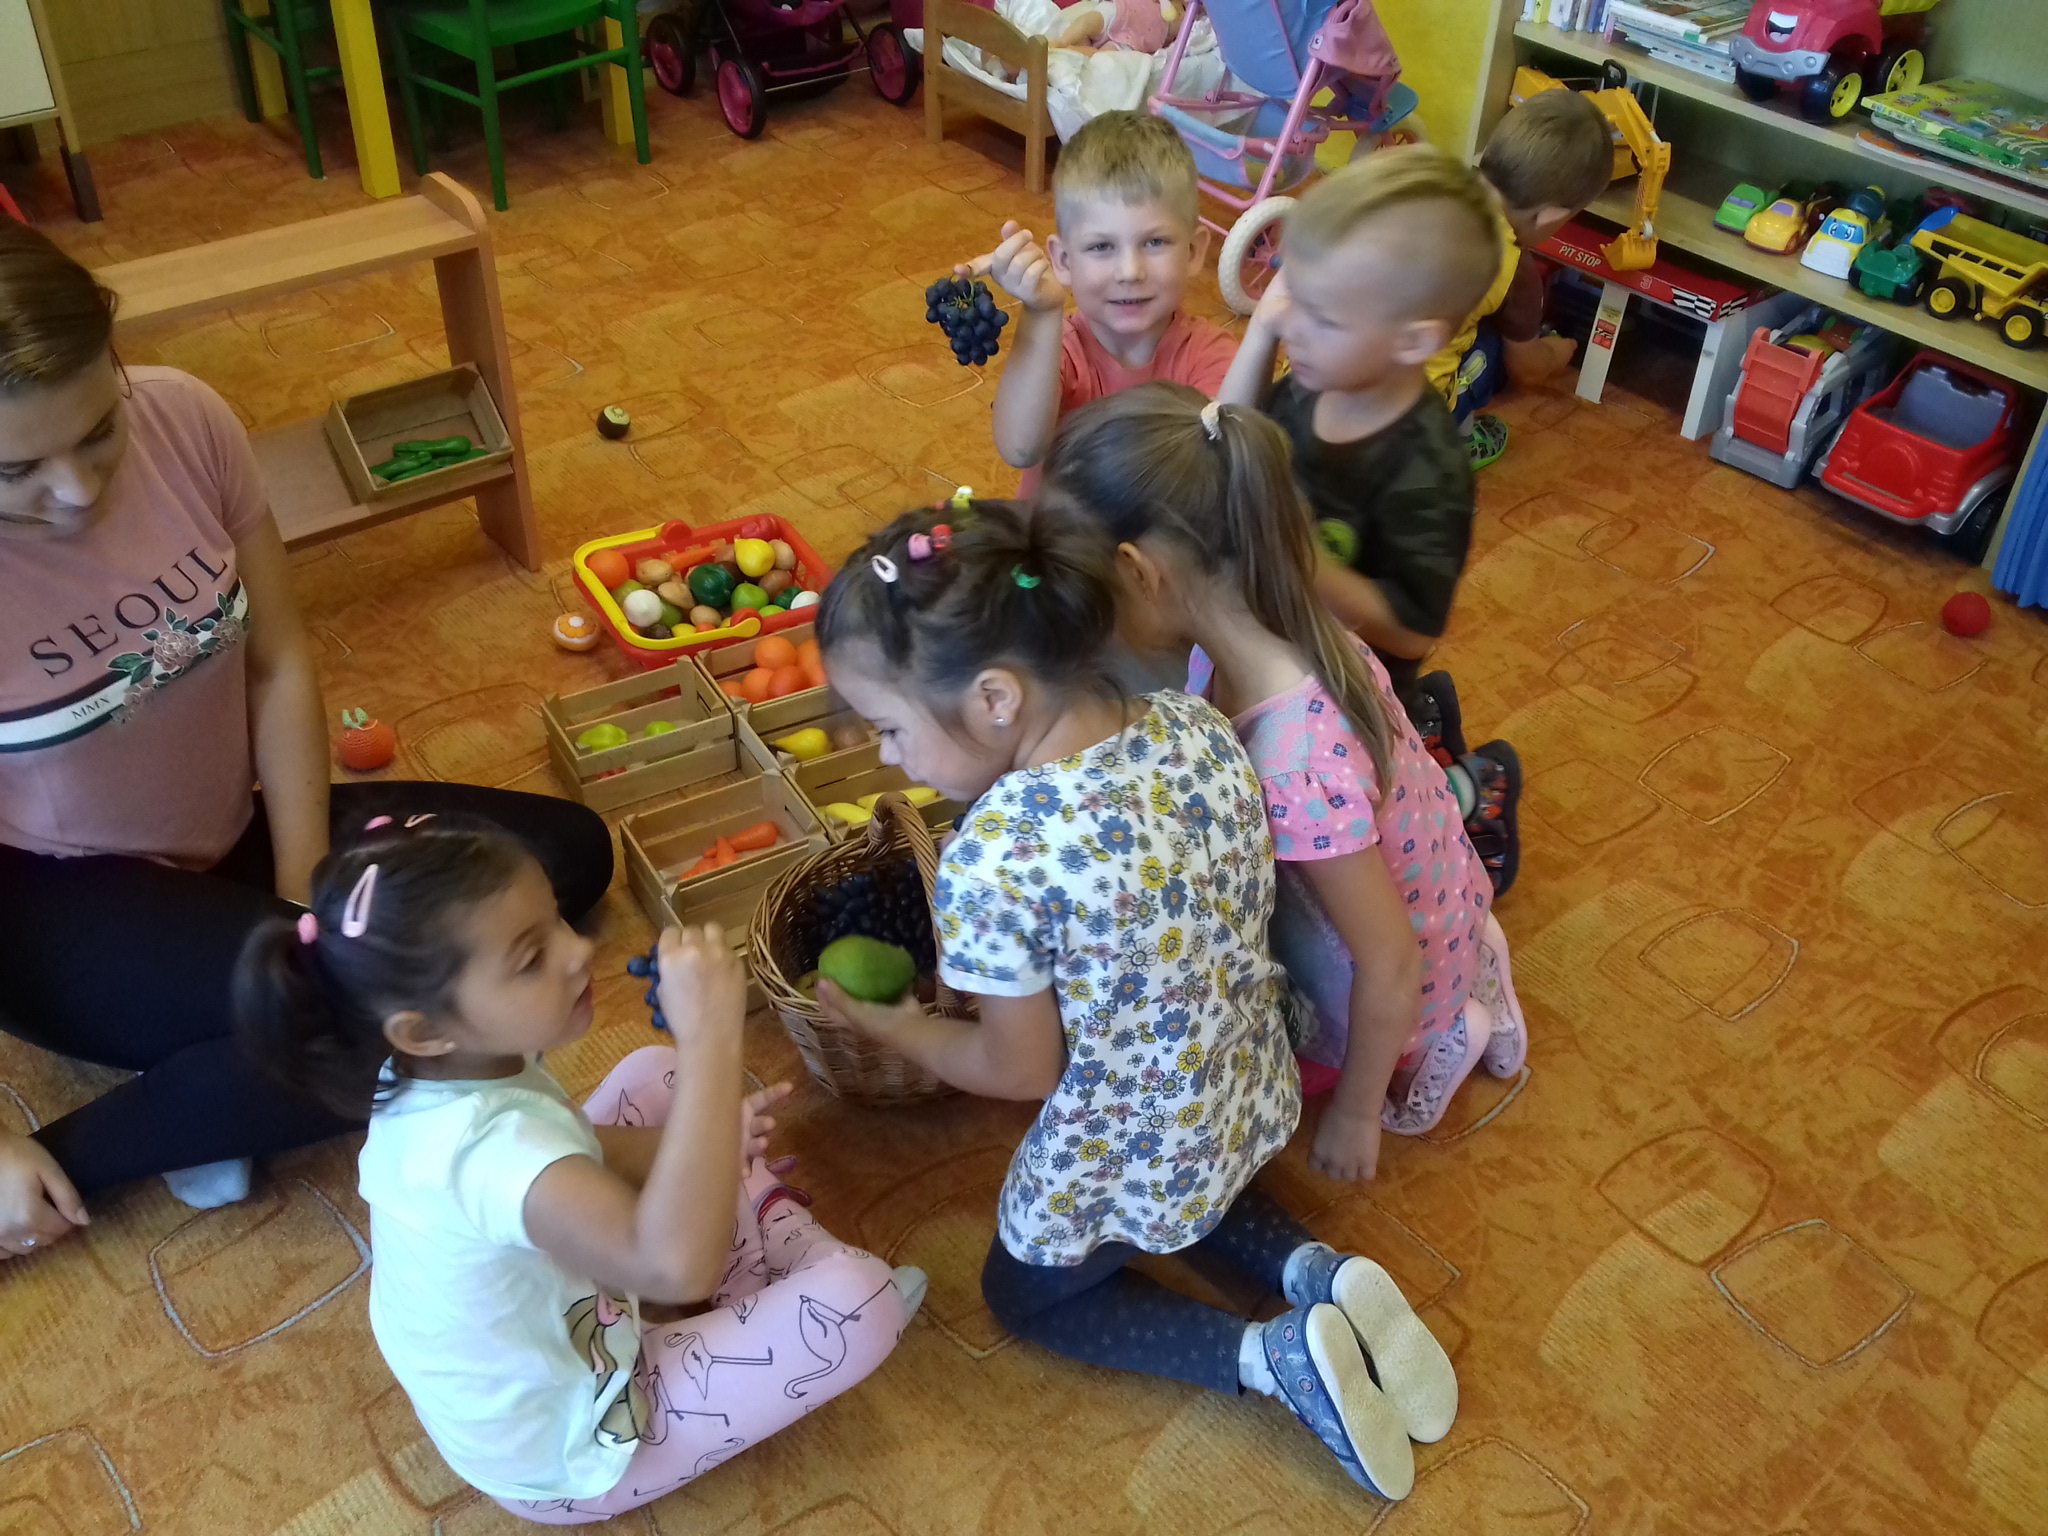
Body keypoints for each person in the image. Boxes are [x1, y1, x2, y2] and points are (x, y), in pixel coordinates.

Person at [808, 497, 1455, 1501]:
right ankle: (1317, 1272)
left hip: (1144, 1132)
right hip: (1246, 1078)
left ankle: (1271, 1357)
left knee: (1024, 1294)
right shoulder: (1192, 723)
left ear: (995, 697)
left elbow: (1021, 1068)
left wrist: (895, 1026)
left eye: (889, 727)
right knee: (1185, 1190)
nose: (887, 755)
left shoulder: (993, 855)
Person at [0, 219, 612, 1263]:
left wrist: (302, 886)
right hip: (54, 892)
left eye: (98, 431)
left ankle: (228, 1079)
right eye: (17, 470)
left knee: (561, 857)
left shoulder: (184, 417)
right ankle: (76, 1161)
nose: (77, 489)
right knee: (374, 1022)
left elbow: (278, 662)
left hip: (228, 823)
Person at [231, 819, 922, 1523]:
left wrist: (707, 1140)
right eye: (531, 957)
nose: (579, 948)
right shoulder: (491, 1154)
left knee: (657, 1074)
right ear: (425, 1029)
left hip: (565, 1317)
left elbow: (575, 1141)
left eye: (556, 917)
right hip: (569, 1449)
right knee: (859, 1302)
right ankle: (780, 1241)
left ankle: (749, 1262)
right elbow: (672, 1269)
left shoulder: (443, 1066)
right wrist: (713, 1038)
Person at [1037, 382, 1529, 1176]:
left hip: (1402, 971)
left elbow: (1388, 964)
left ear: (1137, 570)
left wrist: (1358, 1114)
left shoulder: (1298, 764)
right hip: (1427, 891)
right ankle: (1476, 944)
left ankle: (1451, 1029)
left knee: (1281, 1076)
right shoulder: (1273, 625)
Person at [1217, 146, 1524, 893]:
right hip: (1283, 644)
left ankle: (1473, 790)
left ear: (1414, 340)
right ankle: (1431, 721)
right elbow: (1227, 438)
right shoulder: (1316, 379)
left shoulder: (1427, 471)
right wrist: (1260, 335)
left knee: (1368, 827)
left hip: (1356, 685)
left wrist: (1303, 561)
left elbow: (1413, 631)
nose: (1294, 327)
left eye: (1320, 316)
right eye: (1293, 298)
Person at [960, 110, 1237, 492]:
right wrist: (1042, 312)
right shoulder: (1059, 351)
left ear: (1193, 251)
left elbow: (1228, 471)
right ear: (1063, 261)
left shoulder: (1213, 356)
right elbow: (1019, 449)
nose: (1130, 271)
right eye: (1101, 247)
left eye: (1154, 242)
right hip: (1051, 532)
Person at [1428, 88, 1615, 470]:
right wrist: (1557, 353)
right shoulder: (1513, 267)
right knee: (1494, 345)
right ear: (1550, 216)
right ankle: (1454, 446)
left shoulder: (1433, 185)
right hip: (1405, 422)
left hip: (1324, 381)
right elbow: (1526, 372)